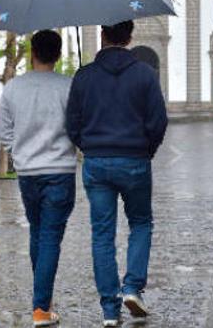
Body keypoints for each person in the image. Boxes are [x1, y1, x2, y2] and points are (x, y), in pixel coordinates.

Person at [66, 20, 168, 327]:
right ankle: (132, 287)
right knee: (140, 223)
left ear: (102, 35)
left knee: (102, 234)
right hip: (135, 161)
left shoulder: (84, 76)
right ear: (130, 37)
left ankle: (110, 310)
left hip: (97, 164)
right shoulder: (145, 75)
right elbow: (158, 121)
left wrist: (88, 146)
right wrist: (145, 149)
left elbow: (72, 123)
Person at [0, 30, 77, 327]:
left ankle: (43, 302)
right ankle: (41, 308)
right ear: (58, 55)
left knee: (38, 232)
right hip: (59, 171)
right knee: (49, 237)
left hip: (28, 173)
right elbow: (77, 128)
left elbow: (5, 133)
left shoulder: (13, 88)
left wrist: (19, 156)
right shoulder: (69, 87)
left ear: (32, 52)